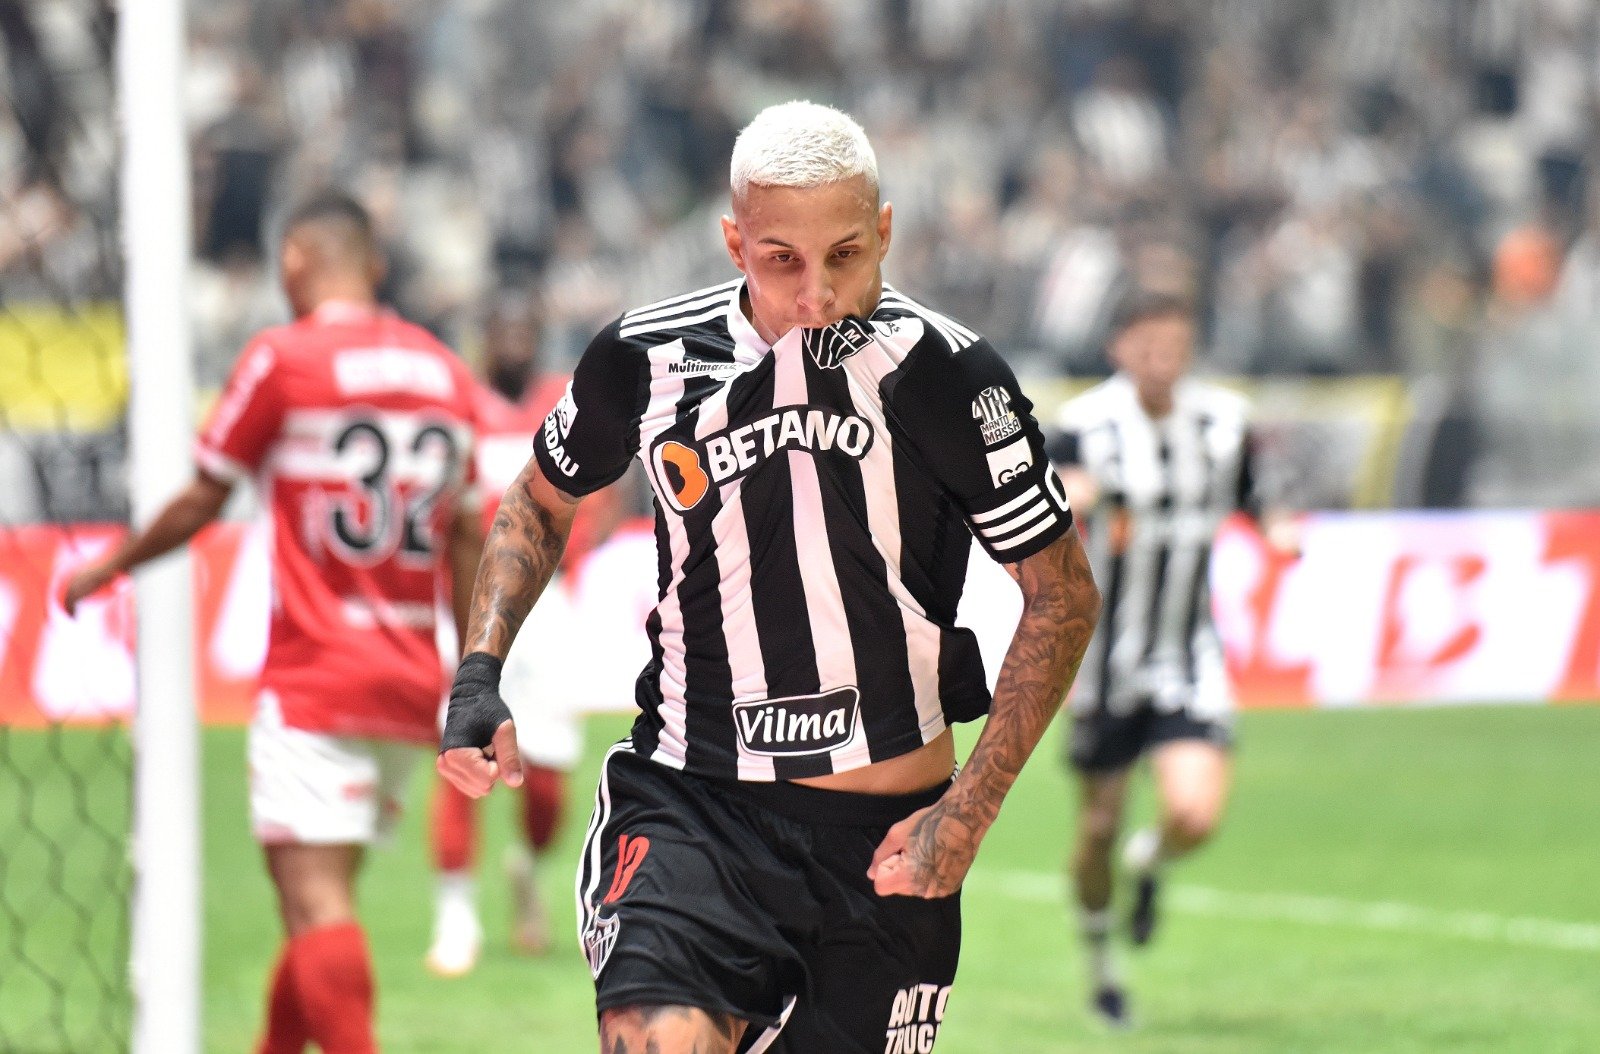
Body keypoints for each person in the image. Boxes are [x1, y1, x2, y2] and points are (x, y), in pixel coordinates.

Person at [437, 100, 1101, 1054]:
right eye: (782, 258)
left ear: (884, 231)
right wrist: (477, 673)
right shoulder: (645, 356)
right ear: (734, 242)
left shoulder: (953, 379)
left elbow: (1063, 593)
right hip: (691, 805)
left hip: (883, 848)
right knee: (658, 1037)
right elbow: (538, 500)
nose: (817, 295)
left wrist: (971, 809)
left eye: (845, 255)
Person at [64, 192, 482, 1054]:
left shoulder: (285, 359)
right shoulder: (444, 370)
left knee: (314, 904)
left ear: (294, 258)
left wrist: (111, 563)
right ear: (372, 263)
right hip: (409, 676)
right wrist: (476, 666)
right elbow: (471, 533)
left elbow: (205, 493)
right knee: (318, 906)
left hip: (314, 675)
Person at [1046, 291, 1298, 1028]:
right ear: (1119, 348)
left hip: (1187, 652)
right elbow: (1045, 501)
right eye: (1148, 343)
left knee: (1195, 812)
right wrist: (1072, 495)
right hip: (1103, 663)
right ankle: (1102, 971)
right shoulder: (1085, 426)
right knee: (1096, 826)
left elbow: (1262, 497)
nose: (1163, 358)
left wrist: (1280, 532)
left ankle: (1146, 862)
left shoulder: (1224, 422)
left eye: (1175, 344)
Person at [426, 292, 627, 976]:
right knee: (459, 759)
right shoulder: (462, 415)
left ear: (536, 337)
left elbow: (600, 497)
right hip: (471, 614)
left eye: (523, 330)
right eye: (500, 329)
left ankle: (526, 863)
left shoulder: (563, 403)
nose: (512, 341)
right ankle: (456, 919)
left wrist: (562, 549)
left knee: (546, 784)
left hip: (548, 616)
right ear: (485, 337)